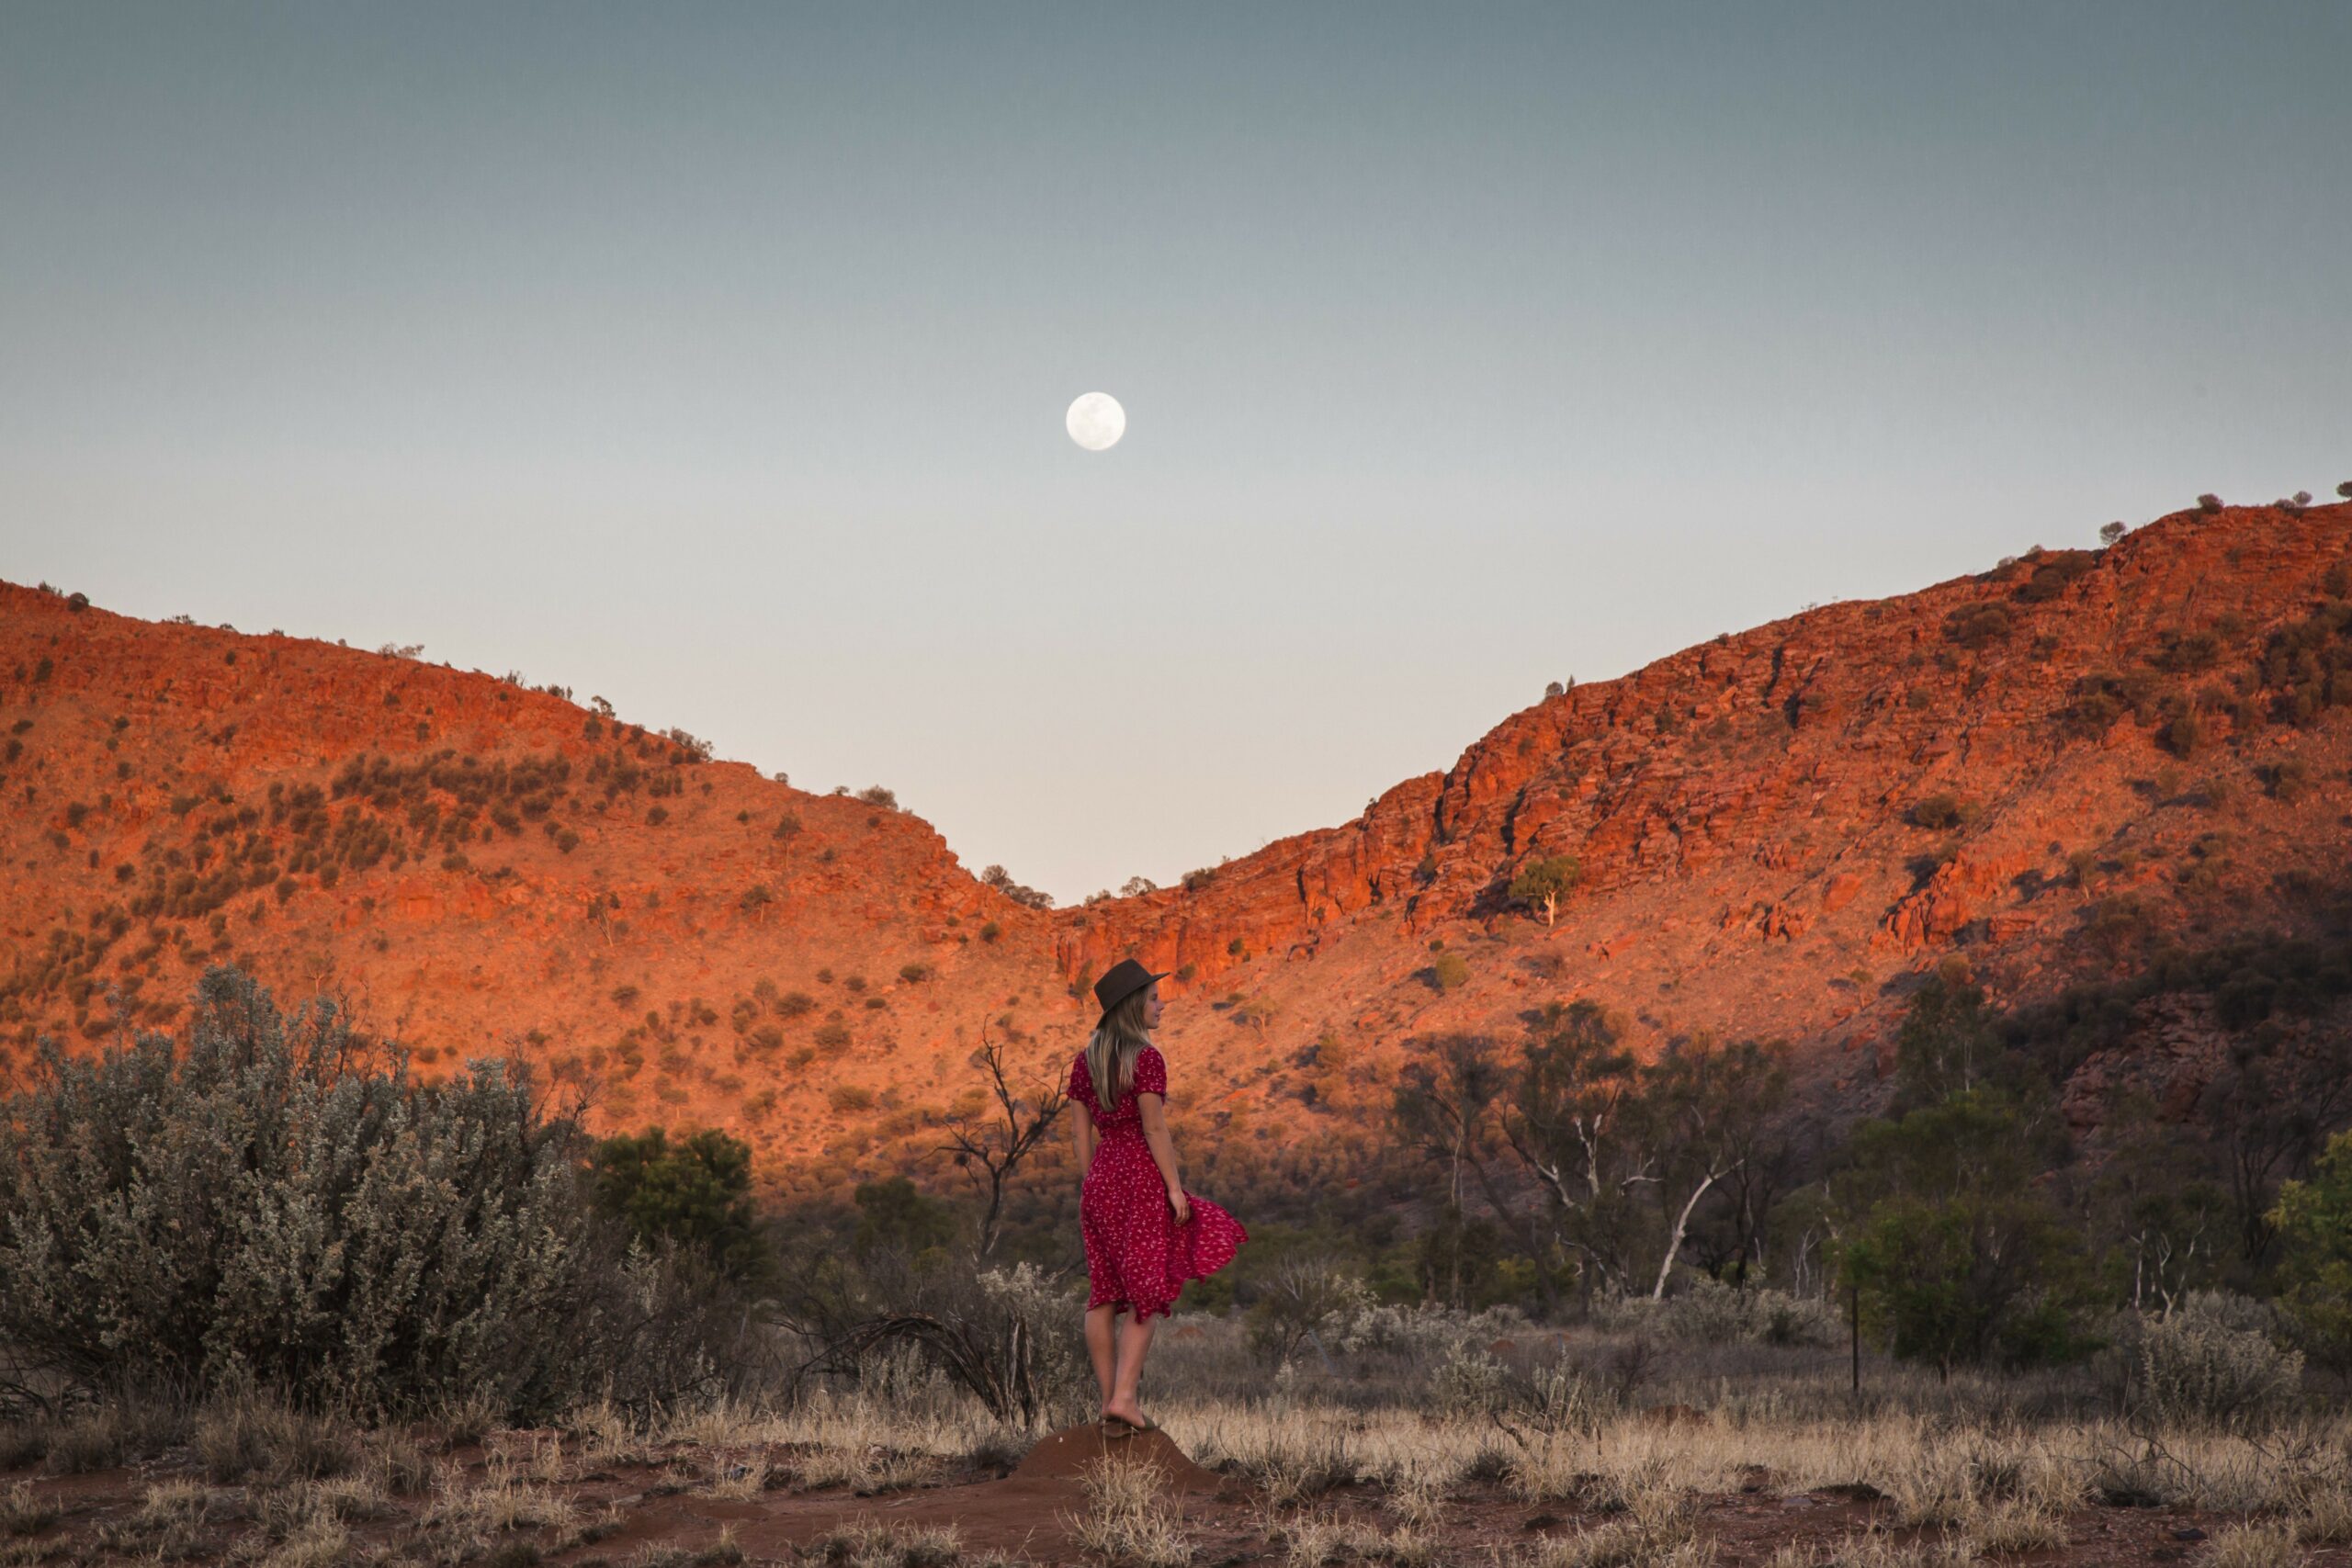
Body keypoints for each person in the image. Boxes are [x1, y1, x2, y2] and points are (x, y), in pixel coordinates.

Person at [1067, 957, 1247, 1435]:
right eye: (1152, 997)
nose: (1160, 1005)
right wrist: (1172, 1187)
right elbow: (1154, 1127)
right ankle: (1125, 1398)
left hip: (1100, 1180)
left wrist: (1092, 1188)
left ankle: (1111, 1404)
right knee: (1146, 1293)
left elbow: (1081, 1138)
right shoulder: (1145, 1058)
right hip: (1140, 1178)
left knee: (1103, 1296)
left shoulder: (1084, 1063)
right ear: (1132, 1006)